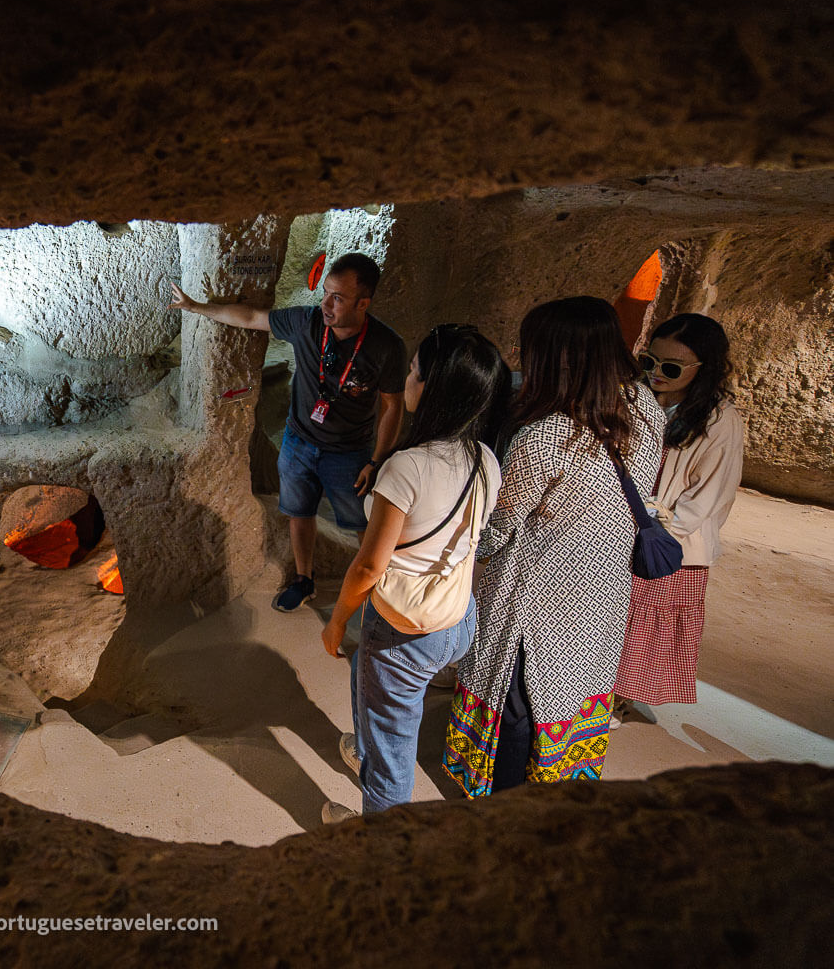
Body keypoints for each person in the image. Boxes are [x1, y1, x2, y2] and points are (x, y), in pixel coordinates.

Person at [444, 297, 665, 796]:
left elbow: (499, 529)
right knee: (570, 704)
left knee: (517, 707)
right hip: (603, 593)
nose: (522, 357)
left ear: (559, 358)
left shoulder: (544, 438)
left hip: (537, 603)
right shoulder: (645, 408)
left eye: (531, 349)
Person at [316, 325, 510, 821]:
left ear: (433, 390)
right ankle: (365, 746)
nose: (407, 377)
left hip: (405, 631)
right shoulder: (485, 458)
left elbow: (369, 564)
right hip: (458, 619)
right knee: (370, 676)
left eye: (414, 371)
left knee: (392, 748)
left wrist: (338, 619)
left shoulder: (406, 468)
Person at [170, 252, 407, 611]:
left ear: (363, 303)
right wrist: (197, 307)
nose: (326, 304)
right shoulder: (307, 322)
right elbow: (251, 317)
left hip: (349, 452)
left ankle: (380, 589)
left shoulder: (386, 346)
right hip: (299, 442)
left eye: (338, 298)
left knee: (362, 522)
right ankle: (304, 579)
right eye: (325, 292)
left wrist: (377, 460)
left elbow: (392, 405)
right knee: (300, 512)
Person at [612, 314, 743, 724]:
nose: (656, 374)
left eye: (671, 369)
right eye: (649, 362)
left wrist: (657, 527)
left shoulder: (720, 421)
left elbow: (707, 497)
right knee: (615, 616)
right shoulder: (636, 397)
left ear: (703, 369)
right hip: (624, 527)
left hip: (670, 545)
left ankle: (619, 697)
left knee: (644, 625)